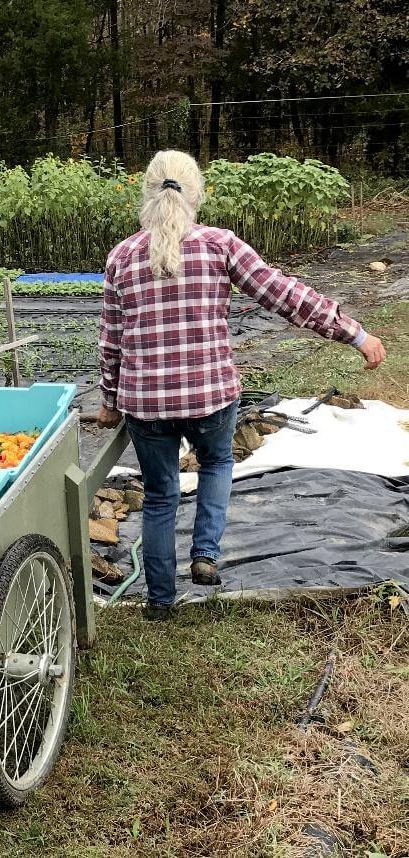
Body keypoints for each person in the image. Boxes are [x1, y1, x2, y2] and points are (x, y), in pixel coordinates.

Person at [97, 150, 386, 621]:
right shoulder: (220, 245)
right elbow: (285, 295)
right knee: (216, 463)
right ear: (197, 196)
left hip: (146, 404)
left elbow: (111, 342)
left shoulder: (121, 257)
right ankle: (205, 556)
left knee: (160, 495)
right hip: (211, 394)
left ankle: (160, 602)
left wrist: (109, 401)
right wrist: (354, 333)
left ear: (146, 192)